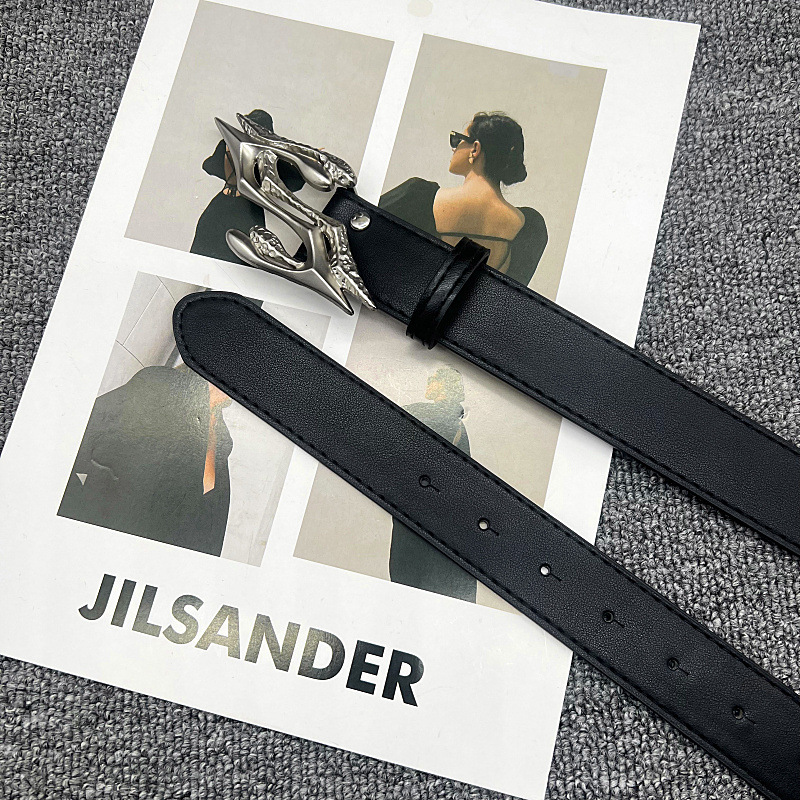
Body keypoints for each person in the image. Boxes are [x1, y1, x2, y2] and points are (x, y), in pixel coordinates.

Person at [58, 363, 234, 557]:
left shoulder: (222, 439)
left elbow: (209, 531)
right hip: (100, 546)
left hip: (154, 564)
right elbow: (81, 433)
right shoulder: (161, 384)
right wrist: (74, 516)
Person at [380, 111, 548, 286]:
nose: (454, 148)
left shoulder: (417, 195)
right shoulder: (529, 228)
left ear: (475, 148)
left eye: (457, 139)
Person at [388, 366, 477, 602]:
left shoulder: (440, 415)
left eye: (434, 378)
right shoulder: (454, 421)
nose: (428, 382)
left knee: (411, 585)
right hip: (432, 517)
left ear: (446, 385)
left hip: (425, 516)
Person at [190, 109, 305, 263]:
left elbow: (209, 166)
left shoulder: (227, 144)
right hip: (246, 211)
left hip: (224, 206)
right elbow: (295, 181)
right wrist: (301, 161)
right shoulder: (266, 155)